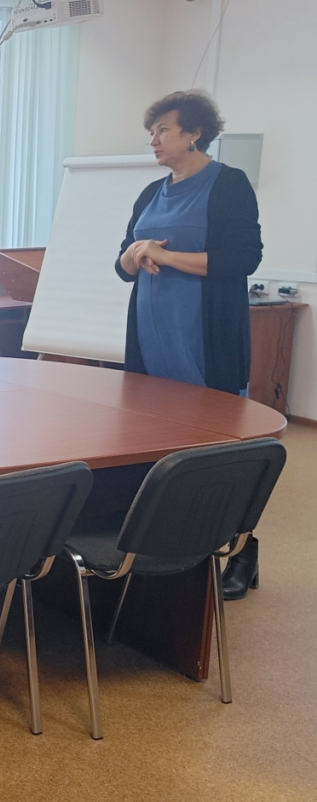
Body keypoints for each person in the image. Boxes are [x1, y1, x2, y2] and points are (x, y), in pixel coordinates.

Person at [115, 89, 263, 599]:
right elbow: (124, 264)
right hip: (150, 337)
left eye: (163, 130)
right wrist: (137, 252)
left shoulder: (229, 184)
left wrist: (166, 256)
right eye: (152, 132)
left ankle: (242, 550)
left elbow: (242, 258)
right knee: (157, 444)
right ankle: (172, 547)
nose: (154, 140)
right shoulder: (150, 192)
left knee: (220, 448)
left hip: (204, 337)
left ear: (195, 133)